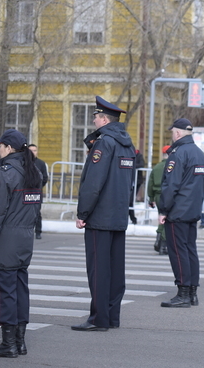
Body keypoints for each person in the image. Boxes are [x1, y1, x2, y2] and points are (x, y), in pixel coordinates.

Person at [72, 96, 135, 332]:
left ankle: (99, 319)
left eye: (95, 117)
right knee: (116, 269)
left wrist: (82, 212)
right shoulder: (126, 143)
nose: (93, 120)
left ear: (103, 119)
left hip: (100, 217)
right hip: (118, 215)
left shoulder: (105, 143)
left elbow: (93, 183)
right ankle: (112, 316)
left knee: (98, 270)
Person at [0, 129, 42, 358]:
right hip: (25, 239)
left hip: (7, 240)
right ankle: (20, 341)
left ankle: (8, 344)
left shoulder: (6, 172)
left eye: (0, 146)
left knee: (6, 290)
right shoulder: (33, 171)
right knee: (20, 288)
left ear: (8, 147)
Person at [159, 118, 204, 307]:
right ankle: (192, 292)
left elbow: (171, 185)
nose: (172, 135)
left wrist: (163, 209)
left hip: (178, 211)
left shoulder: (178, 154)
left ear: (178, 133)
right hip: (193, 209)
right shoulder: (199, 153)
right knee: (190, 250)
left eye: (173, 132)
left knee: (178, 252)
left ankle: (183, 293)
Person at [147, 145, 170, 255]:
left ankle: (158, 241)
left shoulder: (156, 167)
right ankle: (164, 245)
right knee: (166, 220)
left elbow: (150, 183)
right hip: (167, 195)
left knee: (161, 218)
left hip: (157, 195)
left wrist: (151, 198)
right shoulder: (172, 166)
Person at [28, 144, 48, 240]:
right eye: (31, 150)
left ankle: (38, 232)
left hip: (37, 193)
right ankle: (28, 230)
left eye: (35, 150)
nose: (33, 152)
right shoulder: (24, 163)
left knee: (37, 213)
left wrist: (37, 187)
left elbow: (44, 178)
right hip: (25, 193)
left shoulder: (41, 163)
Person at [128, 150, 145, 225]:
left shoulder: (139, 155)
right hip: (129, 180)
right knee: (129, 200)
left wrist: (131, 165)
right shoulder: (128, 154)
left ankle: (132, 218)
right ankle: (132, 218)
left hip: (137, 181)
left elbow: (141, 164)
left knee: (130, 200)